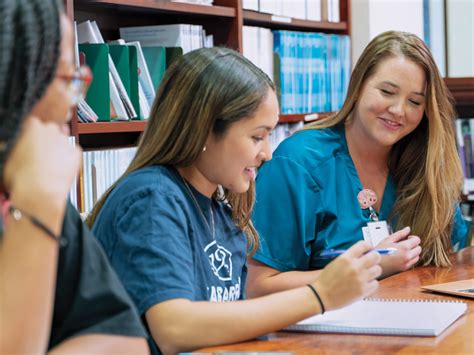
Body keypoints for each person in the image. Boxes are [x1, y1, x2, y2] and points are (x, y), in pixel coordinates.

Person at [87, 47, 382, 354]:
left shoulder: (219, 208)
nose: (267, 153)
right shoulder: (152, 200)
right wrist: (319, 295)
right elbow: (173, 328)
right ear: (204, 130)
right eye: (257, 136)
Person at [248, 30, 469, 299]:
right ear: (358, 83)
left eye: (414, 101)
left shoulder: (424, 162)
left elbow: (456, 251)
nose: (399, 110)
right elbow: (256, 286)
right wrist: (371, 265)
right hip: (316, 332)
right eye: (387, 91)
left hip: (412, 320)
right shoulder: (298, 162)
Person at [0, 1, 149, 353]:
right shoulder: (38, 190)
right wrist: (37, 203)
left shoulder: (29, 184)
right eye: (70, 78)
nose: (72, 106)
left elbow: (127, 343)